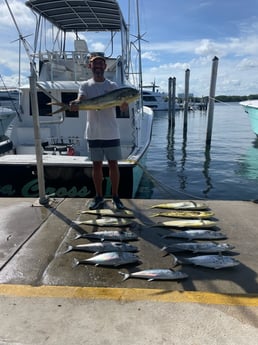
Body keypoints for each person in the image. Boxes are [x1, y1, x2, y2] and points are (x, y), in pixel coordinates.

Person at [70, 53, 127, 210]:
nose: (98, 66)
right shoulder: (85, 85)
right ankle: (99, 197)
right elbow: (81, 99)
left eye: (101, 64)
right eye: (95, 64)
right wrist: (76, 103)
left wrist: (124, 106)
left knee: (113, 165)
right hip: (93, 132)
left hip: (111, 132)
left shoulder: (112, 86)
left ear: (105, 67)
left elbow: (121, 106)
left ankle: (116, 197)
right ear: (90, 66)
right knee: (96, 166)